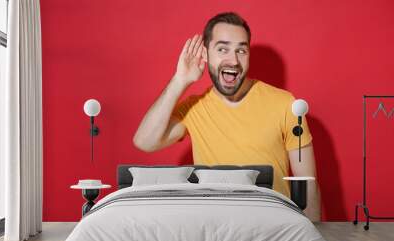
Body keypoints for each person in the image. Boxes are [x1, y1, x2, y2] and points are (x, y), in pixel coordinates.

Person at [133, 12, 320, 221]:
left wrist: (313, 239)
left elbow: (308, 183)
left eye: (241, 50)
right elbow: (144, 142)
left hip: (273, 228)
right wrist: (180, 80)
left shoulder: (286, 104)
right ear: (205, 54)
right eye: (223, 49)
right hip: (214, 230)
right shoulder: (193, 108)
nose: (233, 60)